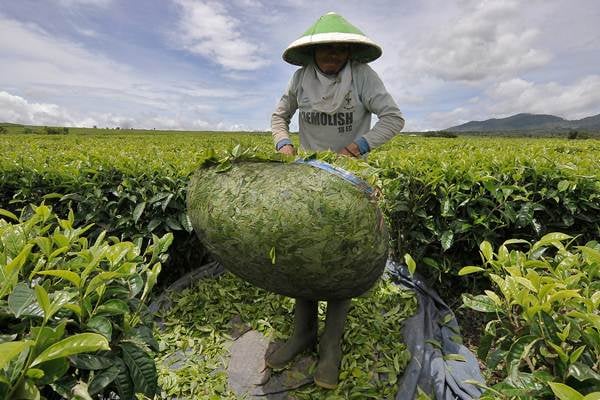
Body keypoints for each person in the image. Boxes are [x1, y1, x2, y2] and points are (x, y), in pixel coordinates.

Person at [268, 12, 405, 389]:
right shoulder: (301, 78)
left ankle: (331, 344)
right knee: (304, 254)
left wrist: (359, 146)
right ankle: (302, 333)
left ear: (350, 51)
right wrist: (283, 142)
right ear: (313, 52)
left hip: (349, 179)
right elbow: (280, 115)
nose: (333, 54)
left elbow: (393, 118)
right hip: (310, 177)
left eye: (340, 49)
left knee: (340, 259)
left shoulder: (361, 76)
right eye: (326, 48)